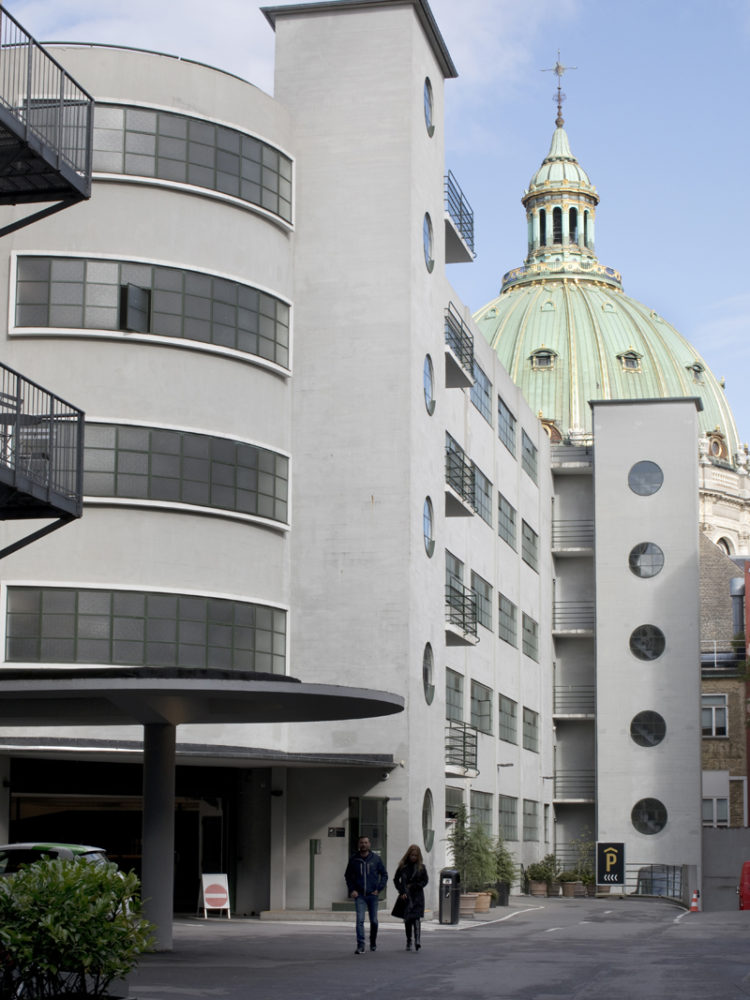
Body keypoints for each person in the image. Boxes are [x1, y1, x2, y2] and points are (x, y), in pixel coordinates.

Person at [344, 835, 388, 954]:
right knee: (360, 920)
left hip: (372, 895)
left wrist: (379, 889)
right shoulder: (354, 859)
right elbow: (348, 876)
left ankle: (373, 941)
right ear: (359, 845)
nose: (363, 844)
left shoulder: (376, 859)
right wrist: (352, 890)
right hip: (359, 896)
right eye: (361, 843)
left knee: (374, 921)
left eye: (366, 842)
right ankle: (361, 945)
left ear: (369, 844)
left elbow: (384, 874)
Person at [393, 843, 429, 951]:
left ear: (418, 856)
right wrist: (401, 890)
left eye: (415, 855)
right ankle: (409, 940)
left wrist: (416, 885)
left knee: (417, 918)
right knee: (408, 919)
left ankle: (417, 940)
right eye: (412, 855)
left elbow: (425, 881)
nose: (413, 857)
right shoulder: (403, 867)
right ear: (408, 855)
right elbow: (396, 880)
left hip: (417, 895)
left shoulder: (421, 868)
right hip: (406, 895)